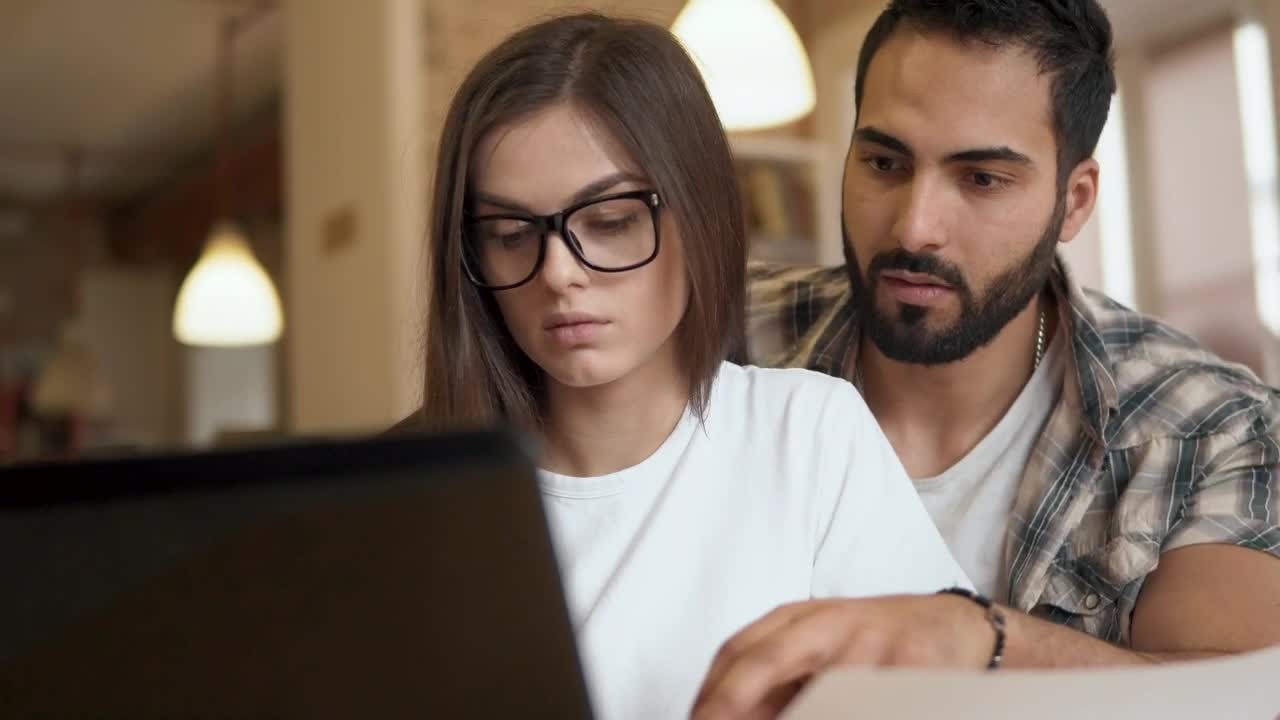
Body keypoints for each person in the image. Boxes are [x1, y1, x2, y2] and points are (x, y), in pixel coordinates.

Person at [691, 1, 1280, 717]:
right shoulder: (713, 334)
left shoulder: (1211, 424)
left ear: (1075, 200)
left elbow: (1231, 695)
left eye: (981, 179)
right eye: (884, 162)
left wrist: (980, 641)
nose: (915, 227)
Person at [403, 12, 969, 720]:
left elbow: (950, 698)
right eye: (510, 234)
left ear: (700, 215)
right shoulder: (405, 498)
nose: (557, 273)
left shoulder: (810, 435)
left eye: (609, 222)